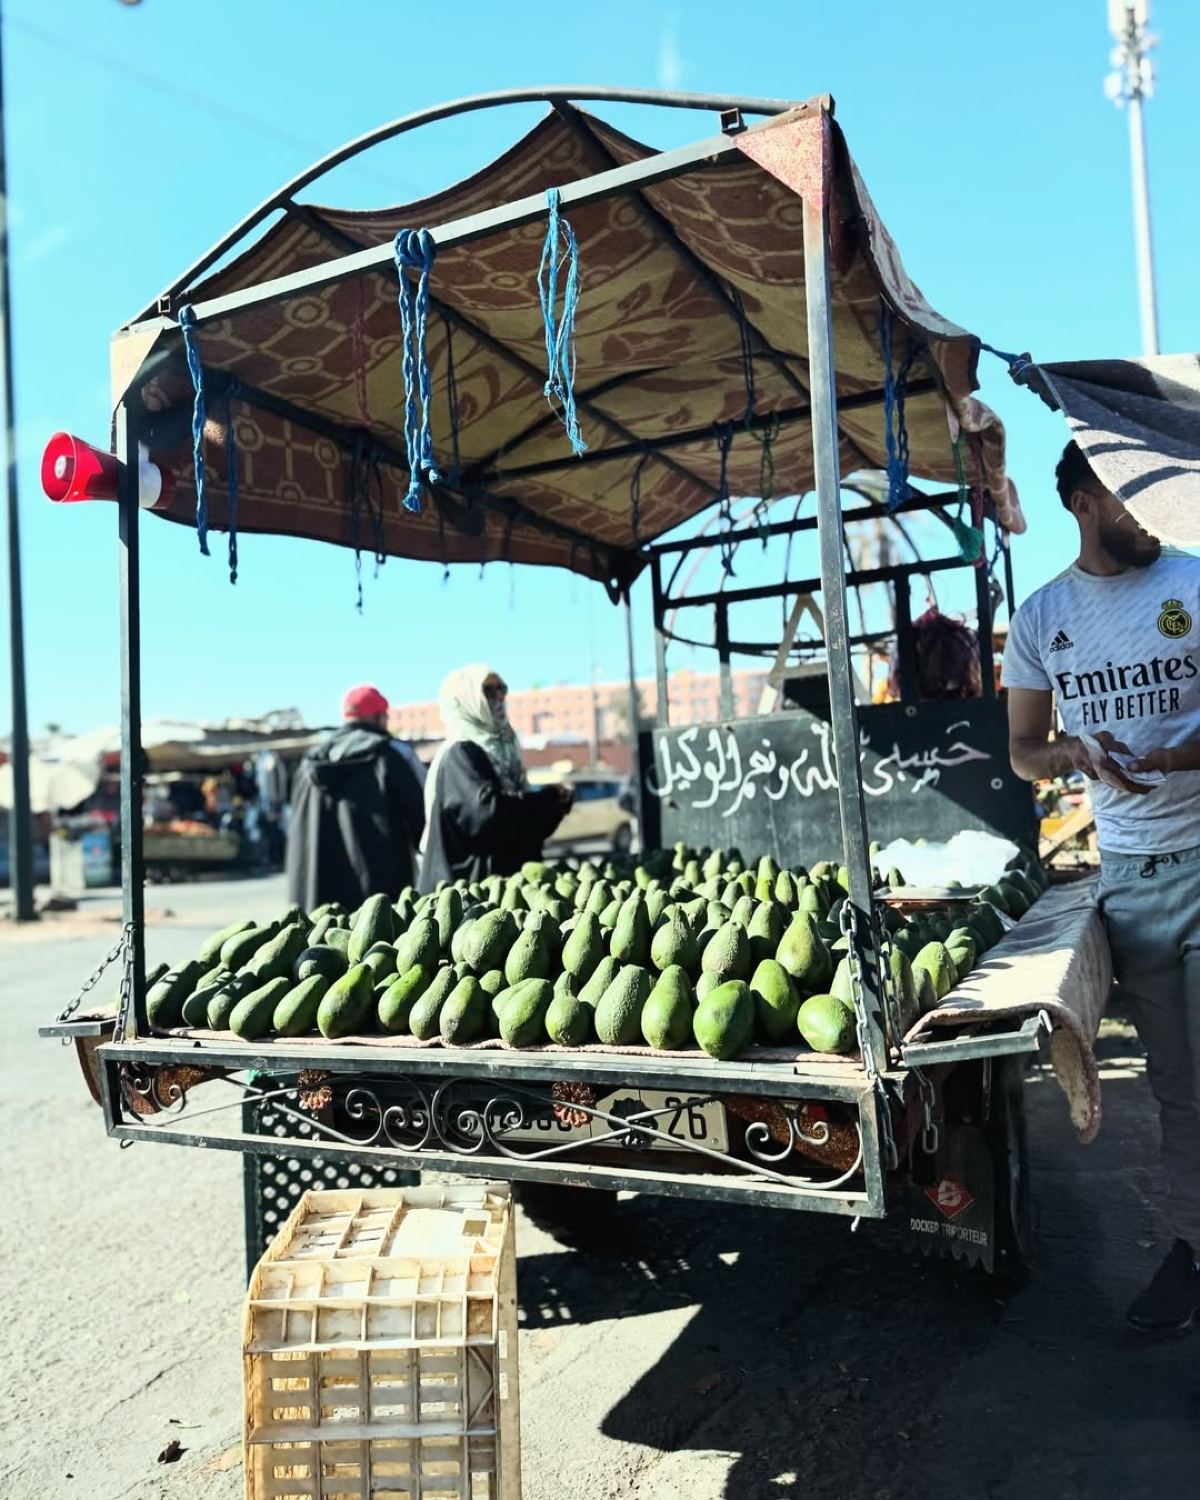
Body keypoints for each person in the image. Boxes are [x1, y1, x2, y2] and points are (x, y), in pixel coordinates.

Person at [1003, 439, 1200, 1335]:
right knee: (1181, 1087)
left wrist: (1186, 753)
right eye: (1133, 499)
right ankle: (1195, 1251)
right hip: (1134, 886)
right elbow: (1021, 752)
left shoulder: (1195, 584)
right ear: (1084, 503)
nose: (1152, 514)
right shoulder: (1042, 618)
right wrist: (1073, 753)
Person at [419, 664, 571, 892]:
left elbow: (522, 826)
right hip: (468, 899)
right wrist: (546, 799)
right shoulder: (460, 753)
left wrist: (557, 805)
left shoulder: (504, 751)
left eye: (502, 689)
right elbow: (487, 815)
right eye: (488, 691)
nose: (499, 697)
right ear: (465, 699)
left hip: (505, 890)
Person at [285, 684, 425, 911]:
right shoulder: (391, 756)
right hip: (380, 904)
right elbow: (424, 823)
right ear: (378, 716)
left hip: (318, 898)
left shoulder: (308, 764)